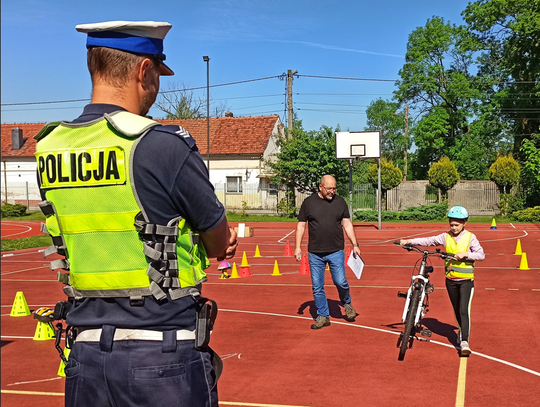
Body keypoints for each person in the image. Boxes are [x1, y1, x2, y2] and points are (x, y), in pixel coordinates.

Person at [34, 20, 237, 407]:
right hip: (161, 354)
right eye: (157, 75)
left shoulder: (50, 148)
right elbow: (216, 241)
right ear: (144, 70)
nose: (156, 90)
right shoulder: (161, 144)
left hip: (85, 356)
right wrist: (219, 241)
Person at [400, 205, 485, 356]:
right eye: (451, 224)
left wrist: (466, 254)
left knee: (463, 309)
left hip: (466, 281)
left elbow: (481, 255)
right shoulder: (445, 237)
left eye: (457, 225)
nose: (453, 227)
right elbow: (429, 241)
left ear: (464, 223)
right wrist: (410, 241)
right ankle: (461, 332)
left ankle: (464, 341)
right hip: (450, 280)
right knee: (456, 310)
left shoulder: (471, 237)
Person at [294, 175, 361, 329]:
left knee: (340, 281)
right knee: (317, 286)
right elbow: (301, 226)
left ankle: (347, 303)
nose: (332, 191)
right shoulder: (309, 203)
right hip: (315, 253)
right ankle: (323, 316)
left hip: (336, 250)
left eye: (334, 188)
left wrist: (355, 244)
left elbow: (347, 224)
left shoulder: (340, 202)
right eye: (329, 188)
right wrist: (297, 247)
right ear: (321, 187)